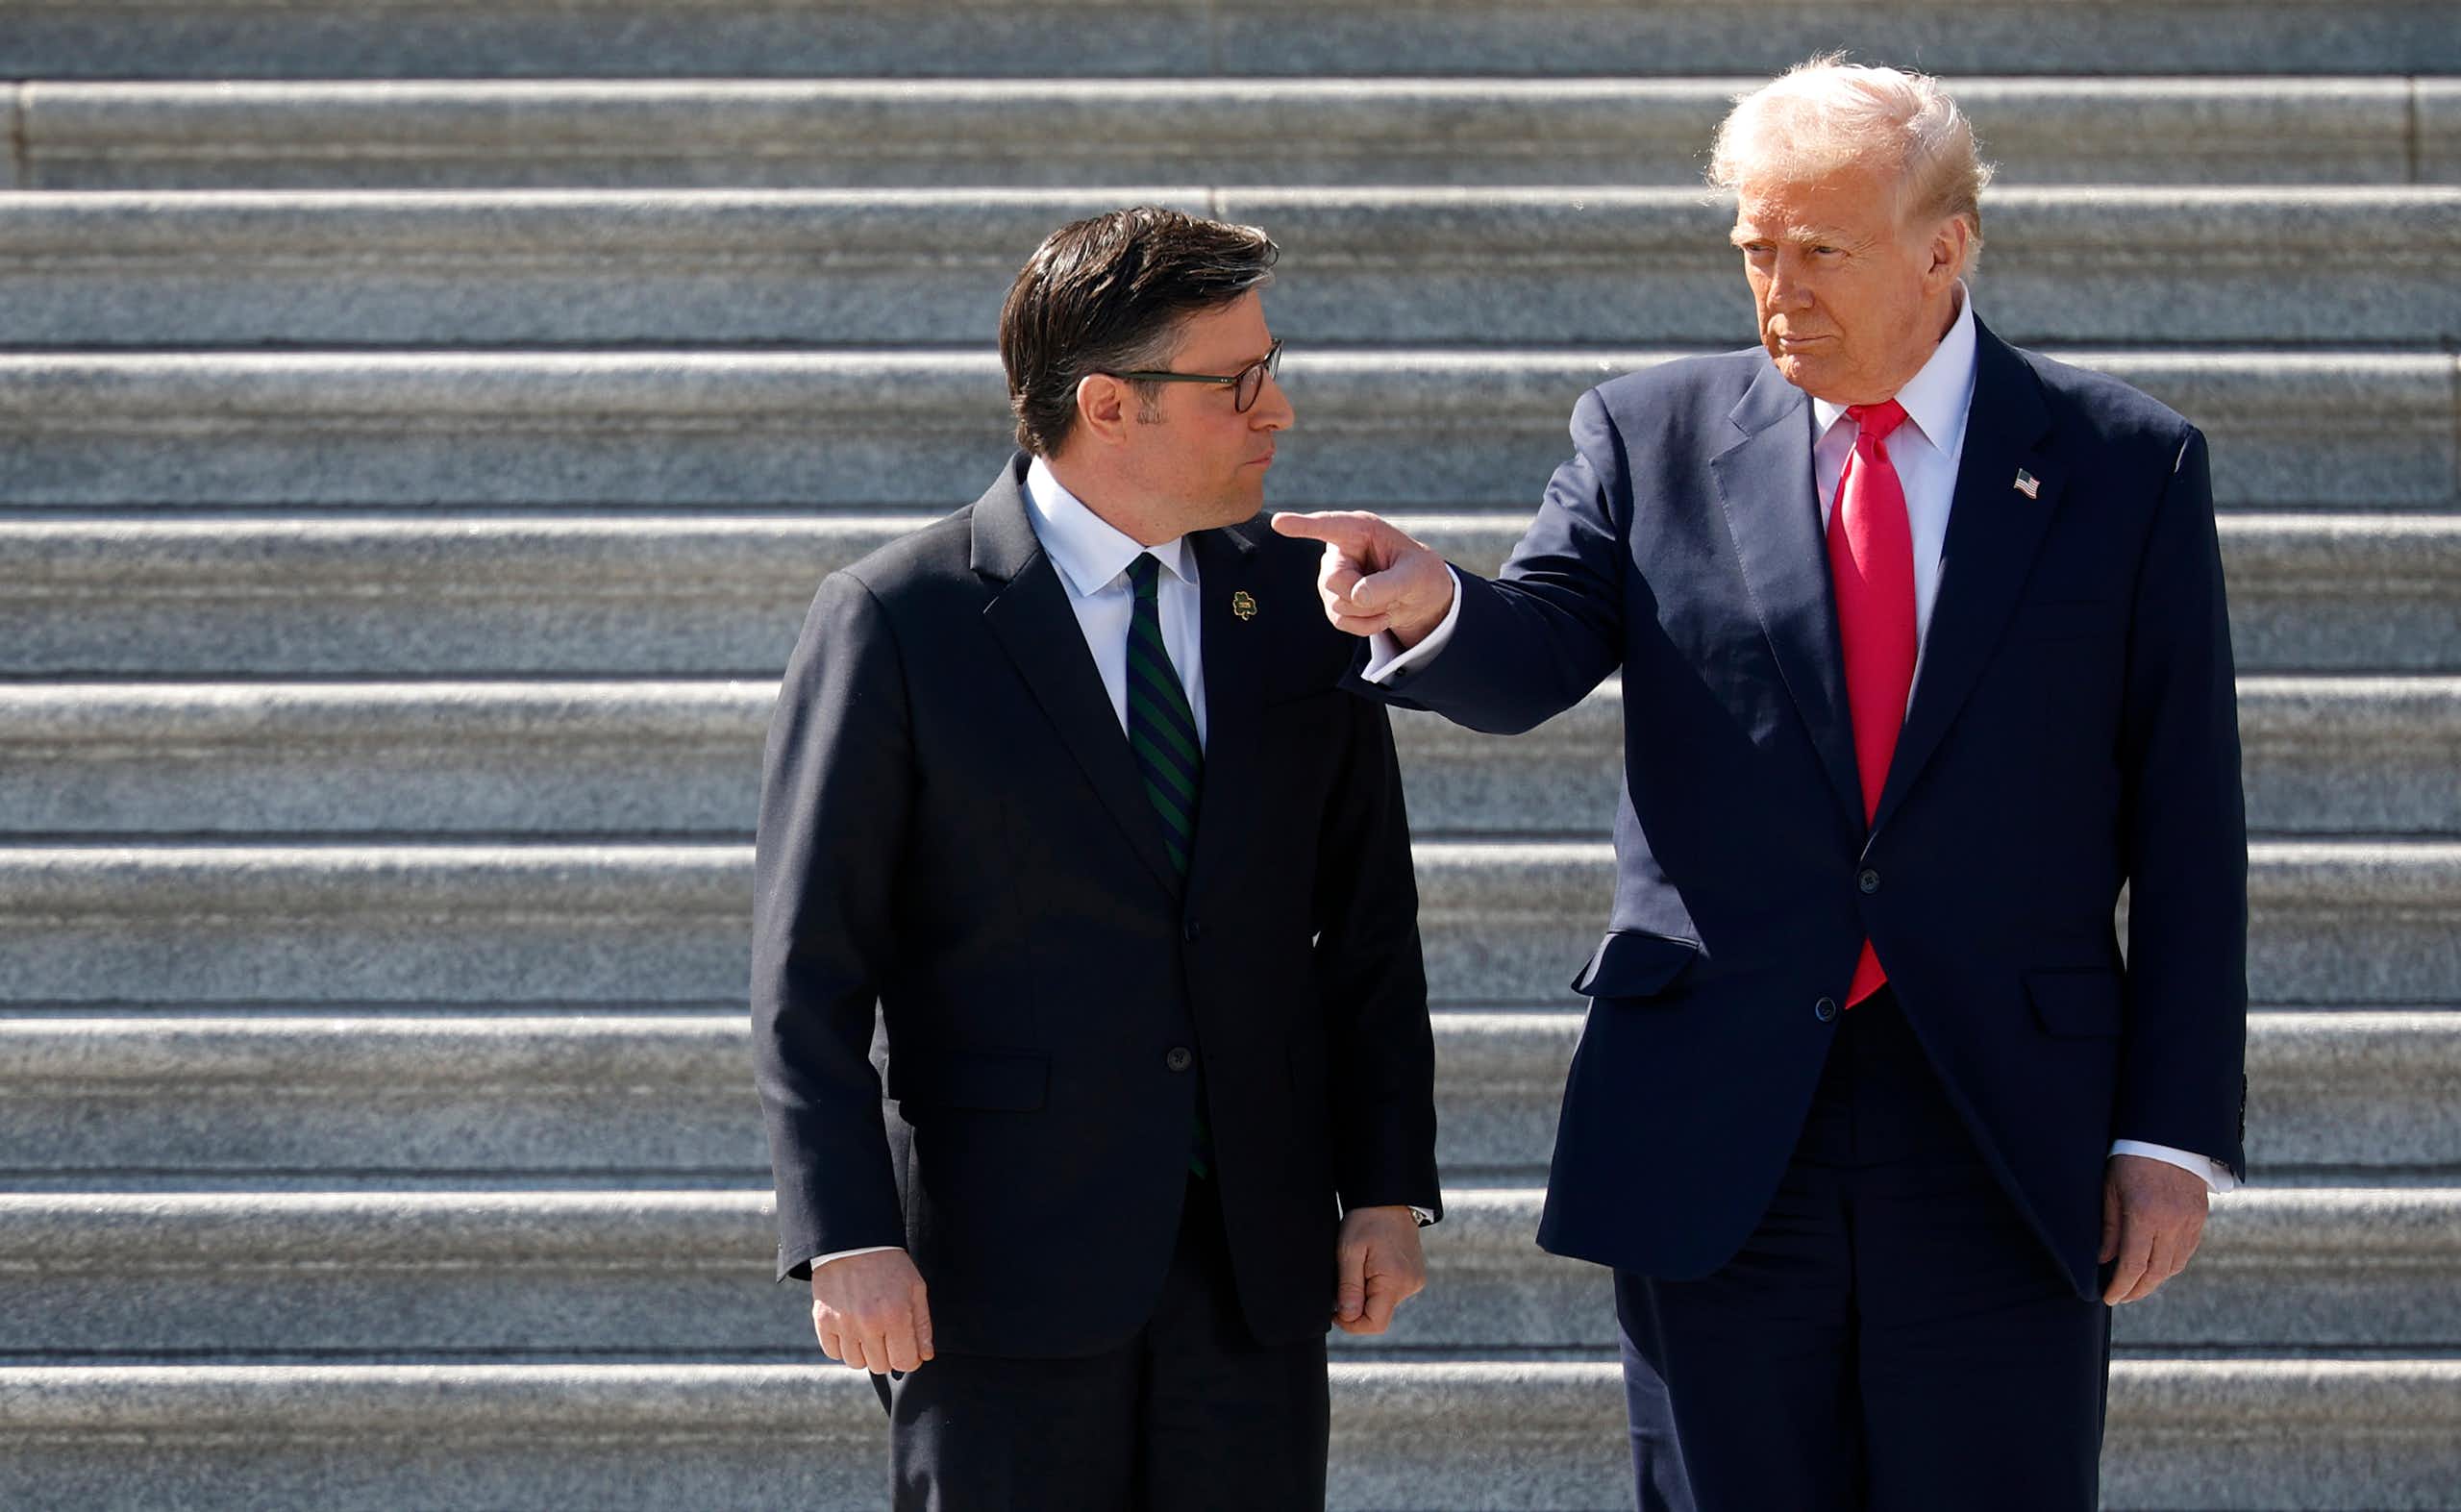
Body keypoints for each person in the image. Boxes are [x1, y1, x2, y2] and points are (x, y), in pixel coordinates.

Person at [1274, 59, 2247, 1512]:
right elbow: (1536, 648)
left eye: (1821, 251)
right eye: (1755, 249)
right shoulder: (1648, 432)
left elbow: (2188, 823)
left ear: (1946, 247)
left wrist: (2166, 1135)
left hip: (1999, 1124)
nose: (1779, 291)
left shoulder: (2124, 465)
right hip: (1717, 1120)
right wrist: (1433, 606)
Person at [749, 206, 1442, 1511]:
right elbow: (810, 971)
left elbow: (1367, 931)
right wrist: (844, 1233)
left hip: (1254, 1263)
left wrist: (1388, 1187)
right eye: (1238, 382)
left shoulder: (1300, 612)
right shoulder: (902, 618)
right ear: (1110, 405)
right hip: (996, 1274)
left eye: (1272, 367)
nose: (1278, 408)